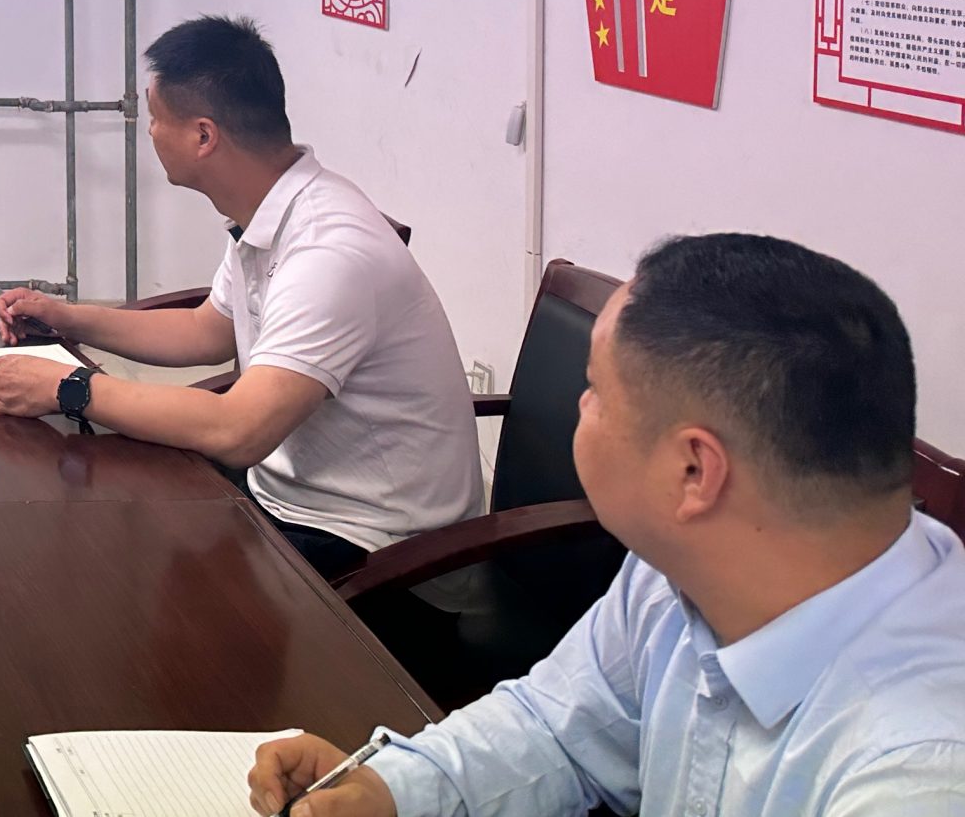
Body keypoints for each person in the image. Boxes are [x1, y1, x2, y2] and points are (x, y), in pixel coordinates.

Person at [251, 233, 965, 816]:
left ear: (694, 469)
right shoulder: (684, 565)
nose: (580, 408)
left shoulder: (915, 776)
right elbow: (557, 729)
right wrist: (390, 791)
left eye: (596, 391)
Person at [0, 15, 482, 577]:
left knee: (109, 565)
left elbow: (237, 430)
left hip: (378, 549)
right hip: (293, 499)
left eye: (155, 118)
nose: (149, 133)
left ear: (203, 136)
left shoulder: (328, 252)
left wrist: (68, 387)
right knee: (108, 533)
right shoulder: (273, 208)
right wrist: (67, 318)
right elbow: (206, 331)